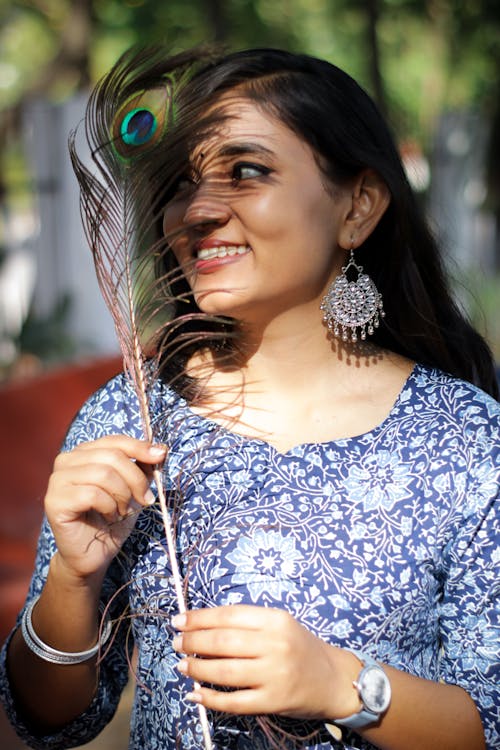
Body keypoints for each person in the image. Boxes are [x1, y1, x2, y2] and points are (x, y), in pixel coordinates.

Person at [0, 46, 498, 750]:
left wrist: (340, 682)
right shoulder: (133, 420)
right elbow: (47, 717)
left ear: (357, 205)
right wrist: (73, 578)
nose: (197, 209)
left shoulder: (466, 439)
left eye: (246, 171)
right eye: (181, 182)